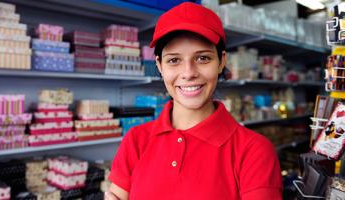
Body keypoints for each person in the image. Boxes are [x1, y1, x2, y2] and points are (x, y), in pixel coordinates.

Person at [105, 2, 283, 200]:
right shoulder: (136, 141)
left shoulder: (254, 151)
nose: (188, 73)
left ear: (221, 61)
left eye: (203, 58)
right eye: (174, 60)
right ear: (159, 65)